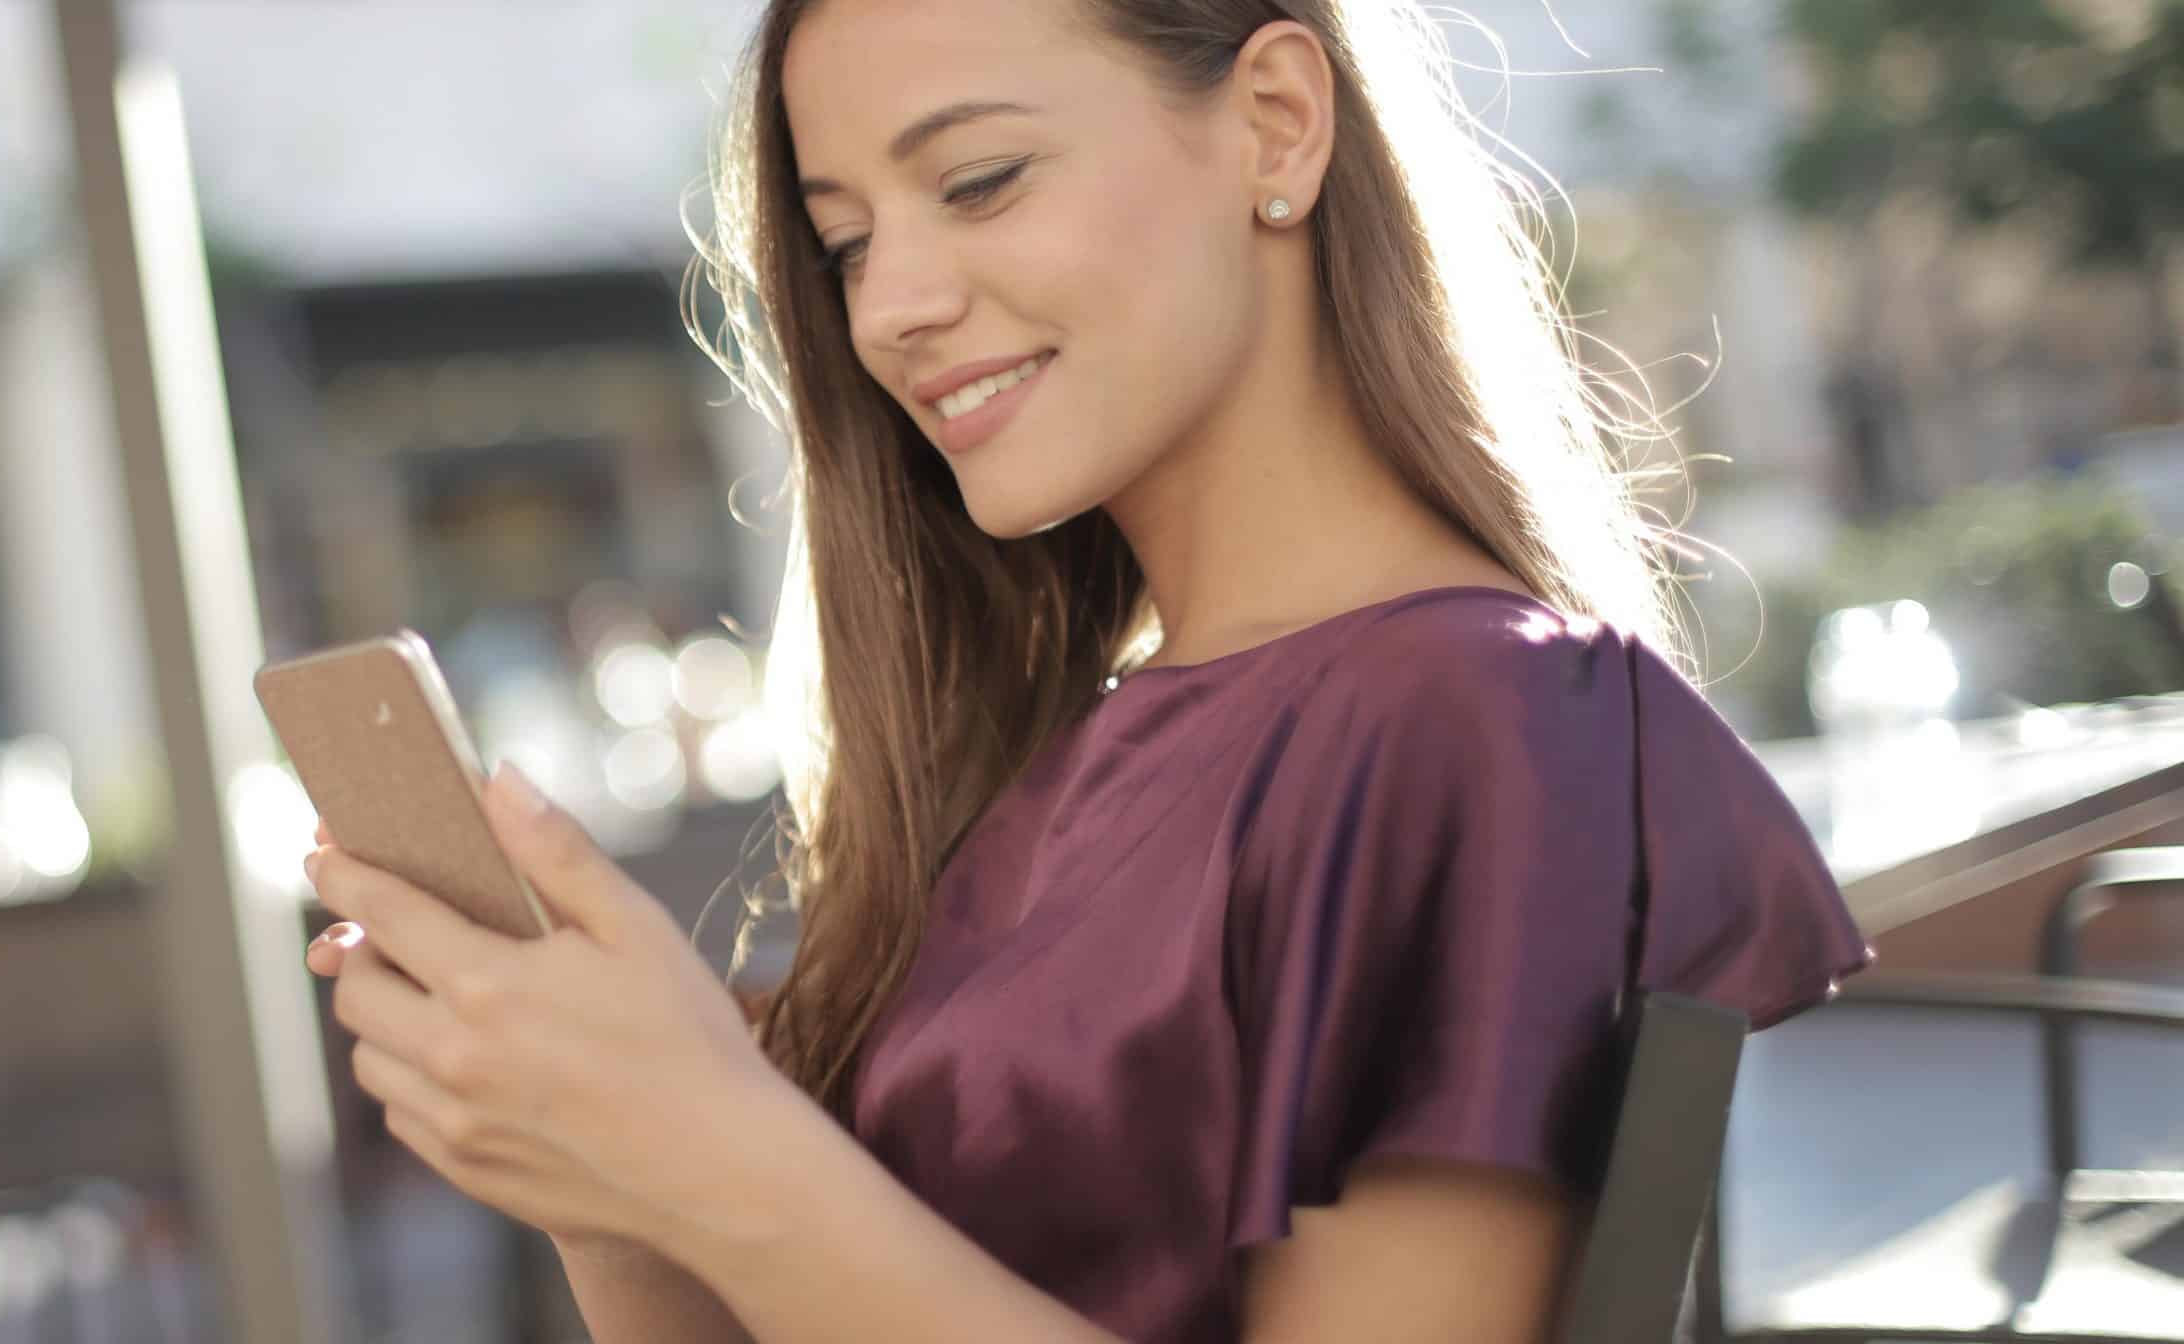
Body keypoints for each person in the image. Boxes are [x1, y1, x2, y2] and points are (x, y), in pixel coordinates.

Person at [300, 2, 1871, 1340]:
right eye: (846, 242)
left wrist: (716, 1151)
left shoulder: (1479, 717)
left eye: (978, 183)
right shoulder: (1054, 762)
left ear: (1273, 124)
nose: (890, 307)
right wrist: (609, 1177)